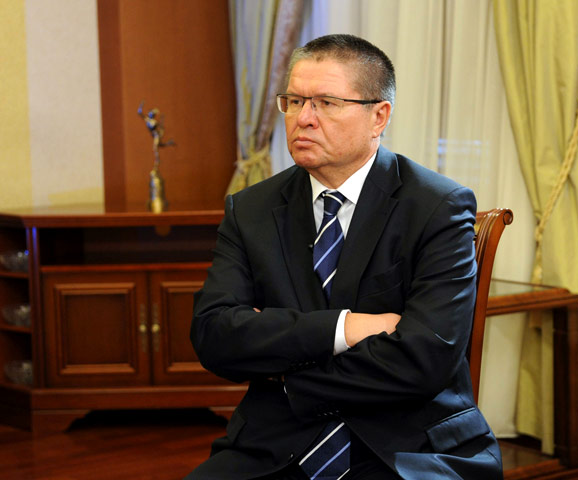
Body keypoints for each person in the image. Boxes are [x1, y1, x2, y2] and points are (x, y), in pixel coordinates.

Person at [187, 34, 503, 479]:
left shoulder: (436, 206)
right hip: (276, 441)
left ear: (379, 116)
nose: (303, 118)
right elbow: (214, 335)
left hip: (408, 444)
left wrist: (286, 376)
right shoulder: (251, 209)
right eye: (294, 101)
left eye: (326, 103)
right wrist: (345, 328)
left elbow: (424, 360)